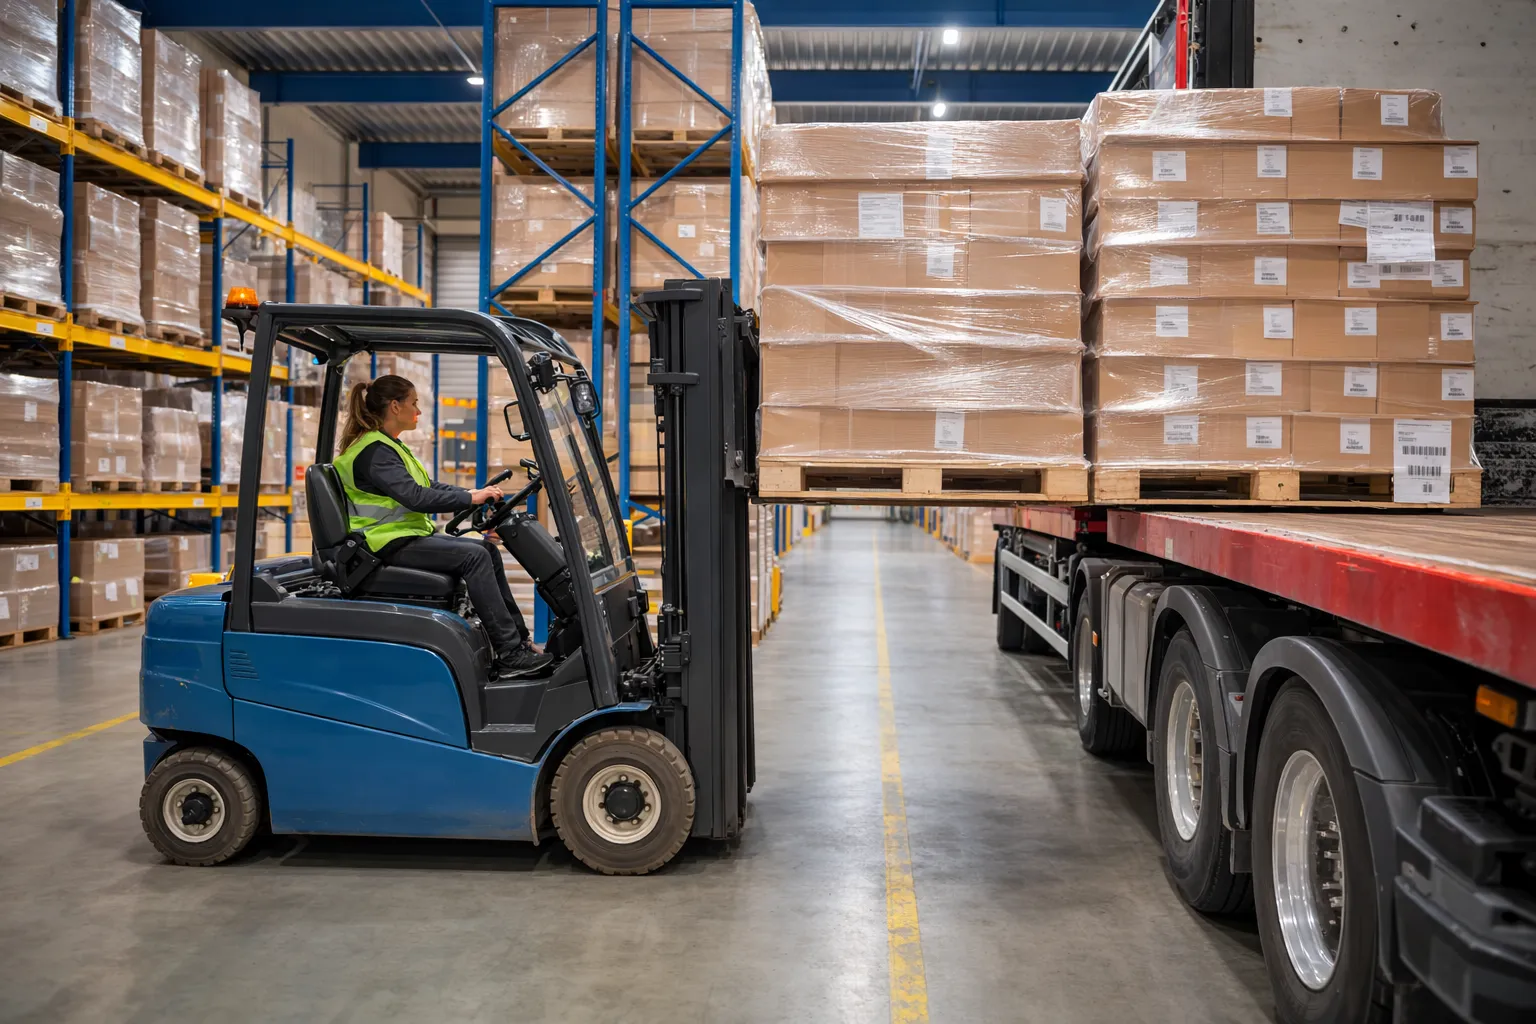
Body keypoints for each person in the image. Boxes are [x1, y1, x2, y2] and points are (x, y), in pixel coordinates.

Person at [332, 374, 552, 680]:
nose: (418, 411)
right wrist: (470, 497)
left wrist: (472, 496)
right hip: (384, 544)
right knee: (474, 557)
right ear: (395, 407)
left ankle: (518, 643)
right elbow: (415, 497)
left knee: (486, 549)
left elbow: (427, 485)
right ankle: (509, 653)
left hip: (402, 538)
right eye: (414, 403)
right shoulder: (374, 451)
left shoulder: (388, 446)